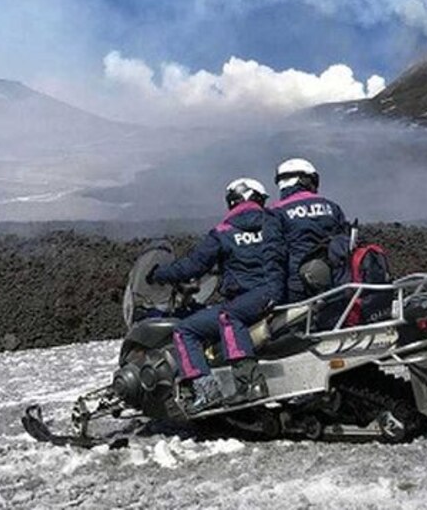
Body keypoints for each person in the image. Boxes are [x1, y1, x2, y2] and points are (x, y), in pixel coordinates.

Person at [148, 178, 285, 414]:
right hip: (278, 294)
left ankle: (212, 389)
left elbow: (192, 267)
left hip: (246, 302)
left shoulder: (223, 232)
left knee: (186, 330)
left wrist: (159, 274)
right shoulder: (274, 223)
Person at [270, 158, 348, 303]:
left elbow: (273, 256)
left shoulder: (276, 212)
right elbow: (344, 244)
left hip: (297, 285)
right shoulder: (332, 207)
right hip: (333, 282)